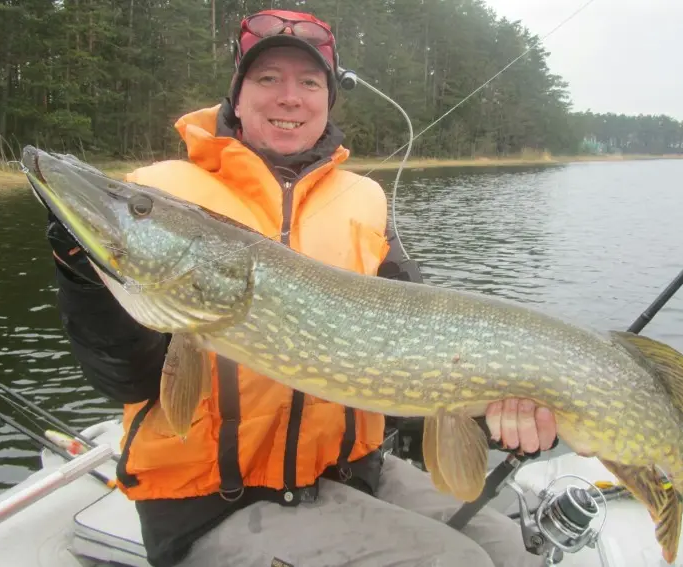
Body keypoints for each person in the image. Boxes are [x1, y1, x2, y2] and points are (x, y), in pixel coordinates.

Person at [45, 9, 558, 567]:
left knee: (506, 547)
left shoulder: (364, 203)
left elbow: (424, 353)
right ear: (237, 96)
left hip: (349, 473)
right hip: (213, 502)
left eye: (309, 82)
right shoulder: (160, 192)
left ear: (327, 101)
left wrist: (501, 413)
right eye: (268, 79)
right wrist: (83, 278)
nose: (290, 97)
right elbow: (125, 379)